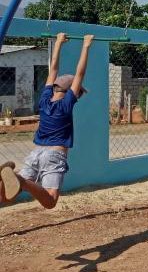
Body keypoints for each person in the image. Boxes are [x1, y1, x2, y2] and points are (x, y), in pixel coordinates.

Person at [0, 33, 93, 209]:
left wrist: (58, 42)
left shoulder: (44, 101)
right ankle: (20, 180)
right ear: (70, 91)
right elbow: (80, 73)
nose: (78, 95)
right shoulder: (65, 105)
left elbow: (53, 70)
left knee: (5, 198)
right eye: (78, 92)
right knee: (50, 201)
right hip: (54, 155)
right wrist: (86, 46)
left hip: (36, 153)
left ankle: (9, 181)